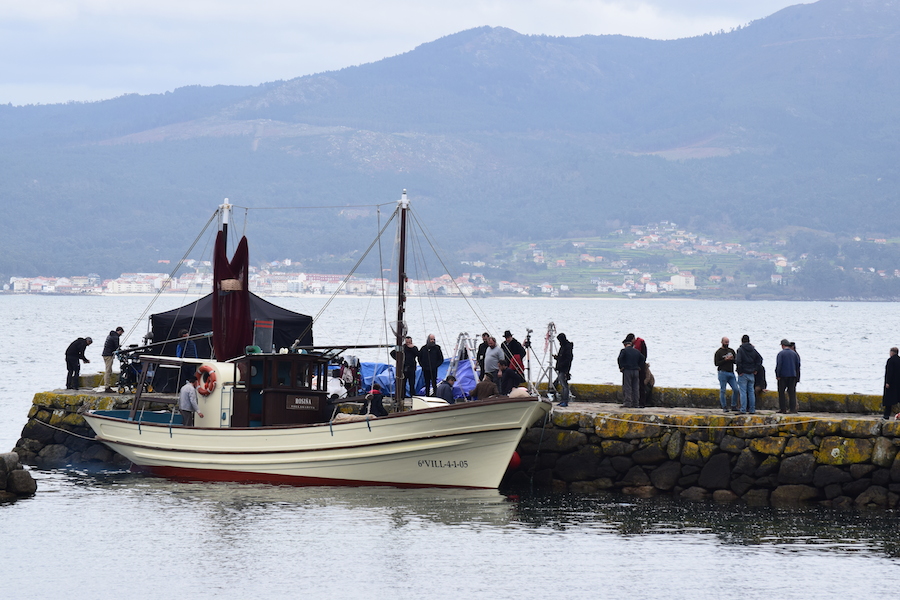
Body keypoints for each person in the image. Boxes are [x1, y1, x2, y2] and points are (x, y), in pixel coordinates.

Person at [735, 334, 763, 414]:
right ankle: (752, 409)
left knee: (743, 391)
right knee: (751, 392)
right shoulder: (753, 350)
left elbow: (738, 361)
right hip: (751, 373)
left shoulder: (740, 350)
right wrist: (755, 369)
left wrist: (739, 371)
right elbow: (760, 359)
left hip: (743, 373)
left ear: (742, 341)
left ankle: (743, 409)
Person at [617, 337, 645, 409]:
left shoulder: (624, 351)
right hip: (636, 371)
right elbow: (643, 358)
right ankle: (635, 403)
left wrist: (621, 367)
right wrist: (639, 366)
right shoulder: (636, 351)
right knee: (635, 387)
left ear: (625, 344)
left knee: (627, 386)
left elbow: (619, 358)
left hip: (627, 370)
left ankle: (627, 402)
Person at [714, 337, 740, 411]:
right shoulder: (718, 352)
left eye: (728, 342)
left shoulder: (731, 351)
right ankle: (724, 406)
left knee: (736, 389)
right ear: (722, 342)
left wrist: (732, 359)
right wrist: (725, 360)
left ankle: (733, 405)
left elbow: (736, 361)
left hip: (731, 373)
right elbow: (716, 363)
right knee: (723, 390)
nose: (727, 344)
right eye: (725, 342)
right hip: (722, 372)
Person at [775, 338, 801, 414]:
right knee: (792, 392)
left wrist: (777, 375)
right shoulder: (794, 354)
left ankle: (783, 409)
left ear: (782, 345)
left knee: (781, 392)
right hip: (792, 375)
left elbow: (779, 365)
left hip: (783, 376)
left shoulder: (781, 354)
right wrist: (796, 375)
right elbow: (798, 365)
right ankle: (792, 409)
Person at [623, 333, 649, 406]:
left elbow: (644, 356)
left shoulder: (641, 342)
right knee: (635, 385)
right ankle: (635, 402)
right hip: (636, 368)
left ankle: (641, 402)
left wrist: (640, 366)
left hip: (639, 367)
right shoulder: (634, 347)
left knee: (640, 385)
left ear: (633, 339)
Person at [102, 326, 125, 393]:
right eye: (121, 333)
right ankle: (107, 387)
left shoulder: (110, 335)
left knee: (109, 370)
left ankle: (108, 385)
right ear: (120, 331)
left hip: (105, 354)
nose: (121, 334)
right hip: (109, 355)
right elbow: (117, 348)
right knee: (108, 371)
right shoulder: (116, 337)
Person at [553, 332, 574, 407]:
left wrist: (564, 369)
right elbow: (562, 357)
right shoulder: (563, 346)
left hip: (564, 369)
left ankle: (565, 401)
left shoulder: (567, 347)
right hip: (561, 368)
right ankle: (563, 400)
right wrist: (557, 358)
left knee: (564, 385)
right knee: (561, 384)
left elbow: (568, 359)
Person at [883, 347, 900, 419]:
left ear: (892, 352)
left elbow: (889, 372)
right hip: (899, 383)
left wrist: (887, 382)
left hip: (891, 384)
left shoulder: (890, 360)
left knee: (888, 400)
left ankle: (886, 415)